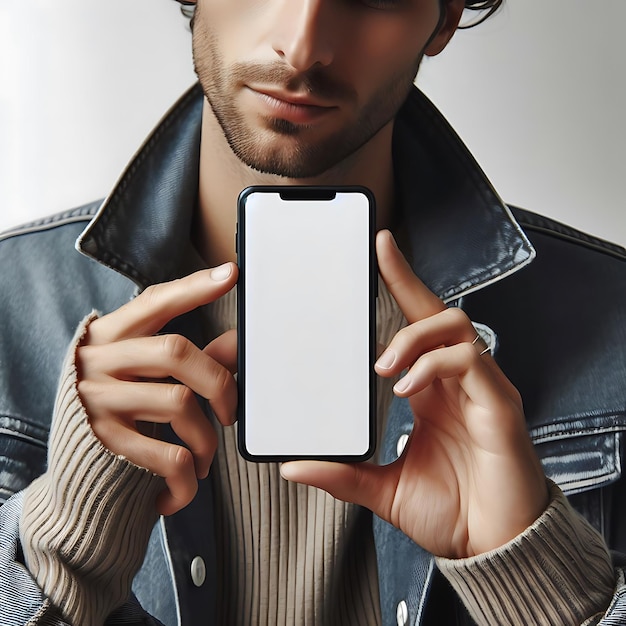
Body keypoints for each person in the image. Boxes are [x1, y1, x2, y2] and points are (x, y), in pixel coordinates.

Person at [0, 0, 624, 624]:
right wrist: (63, 559)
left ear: (443, 18)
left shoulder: (612, 319)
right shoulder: (10, 304)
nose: (301, 49)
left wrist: (538, 577)